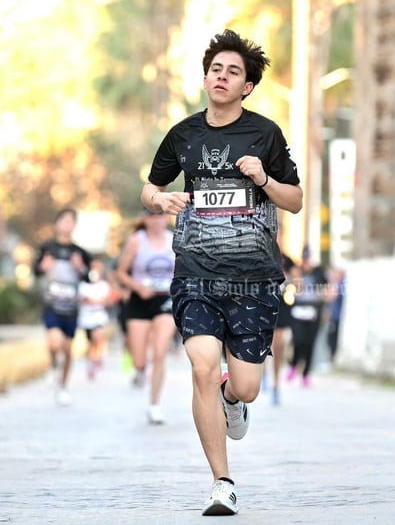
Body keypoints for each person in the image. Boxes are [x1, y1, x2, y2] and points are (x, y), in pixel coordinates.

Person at [140, 29, 302, 516]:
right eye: (216, 69)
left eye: (233, 71)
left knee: (245, 385)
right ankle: (222, 481)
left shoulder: (265, 134)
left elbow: (294, 201)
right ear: (206, 77)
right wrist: (161, 198)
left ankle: (236, 398)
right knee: (203, 368)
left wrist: (264, 177)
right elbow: (150, 189)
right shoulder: (183, 134)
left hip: (253, 278)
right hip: (196, 275)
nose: (222, 77)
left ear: (247, 85)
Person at [115, 209, 177, 425]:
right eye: (152, 215)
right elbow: (120, 273)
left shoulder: (174, 240)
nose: (156, 219)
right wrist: (138, 288)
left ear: (166, 217)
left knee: (160, 351)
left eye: (160, 215)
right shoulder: (136, 241)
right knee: (140, 360)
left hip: (165, 300)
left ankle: (154, 405)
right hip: (140, 301)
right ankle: (140, 371)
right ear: (144, 219)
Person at [33, 207, 92, 406]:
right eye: (64, 220)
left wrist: (80, 267)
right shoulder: (46, 248)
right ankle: (52, 367)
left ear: (74, 226)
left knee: (67, 350)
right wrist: (43, 267)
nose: (67, 224)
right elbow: (35, 271)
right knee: (54, 343)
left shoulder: (80, 252)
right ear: (57, 223)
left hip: (71, 308)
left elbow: (89, 277)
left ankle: (63, 387)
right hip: (51, 305)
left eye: (71, 221)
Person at [285, 247, 328, 388]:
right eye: (304, 258)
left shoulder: (318, 272)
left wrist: (322, 296)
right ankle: (294, 364)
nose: (306, 261)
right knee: (299, 340)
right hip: (298, 310)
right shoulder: (297, 271)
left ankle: (305, 374)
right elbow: (289, 287)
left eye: (308, 257)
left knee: (310, 343)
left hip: (313, 311)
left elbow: (327, 289)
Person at [267, 253, 296, 406]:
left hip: (281, 308)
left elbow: (297, 282)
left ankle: (276, 384)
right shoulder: (264, 253)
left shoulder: (288, 260)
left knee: (278, 347)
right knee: (263, 346)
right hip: (264, 305)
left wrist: (289, 282)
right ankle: (263, 373)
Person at [78, 259, 113, 380]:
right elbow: (82, 299)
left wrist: (96, 300)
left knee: (98, 337)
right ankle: (91, 362)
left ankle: (99, 355)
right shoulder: (83, 285)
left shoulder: (104, 285)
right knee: (91, 342)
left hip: (99, 316)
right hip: (86, 318)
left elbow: (107, 300)